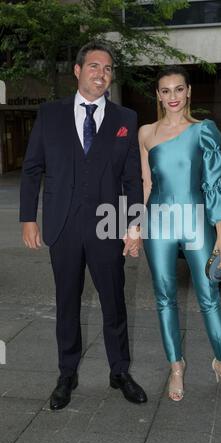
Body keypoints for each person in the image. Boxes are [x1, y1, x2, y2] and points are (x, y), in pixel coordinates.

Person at [20, 41, 147, 410]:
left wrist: (134, 226)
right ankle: (67, 373)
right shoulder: (49, 114)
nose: (101, 74)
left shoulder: (125, 119)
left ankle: (119, 371)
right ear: (77, 71)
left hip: (109, 227)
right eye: (94, 66)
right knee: (67, 304)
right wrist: (29, 218)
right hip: (63, 227)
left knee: (114, 304)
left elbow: (132, 180)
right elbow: (31, 170)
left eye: (107, 69)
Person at [139, 66, 221, 402]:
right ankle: (176, 366)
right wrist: (137, 224)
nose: (173, 96)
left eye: (178, 89)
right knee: (164, 297)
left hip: (197, 220)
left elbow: (213, 184)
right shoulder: (145, 133)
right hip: (158, 222)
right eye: (165, 90)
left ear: (188, 92)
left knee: (209, 296)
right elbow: (147, 183)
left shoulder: (204, 130)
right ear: (158, 95)